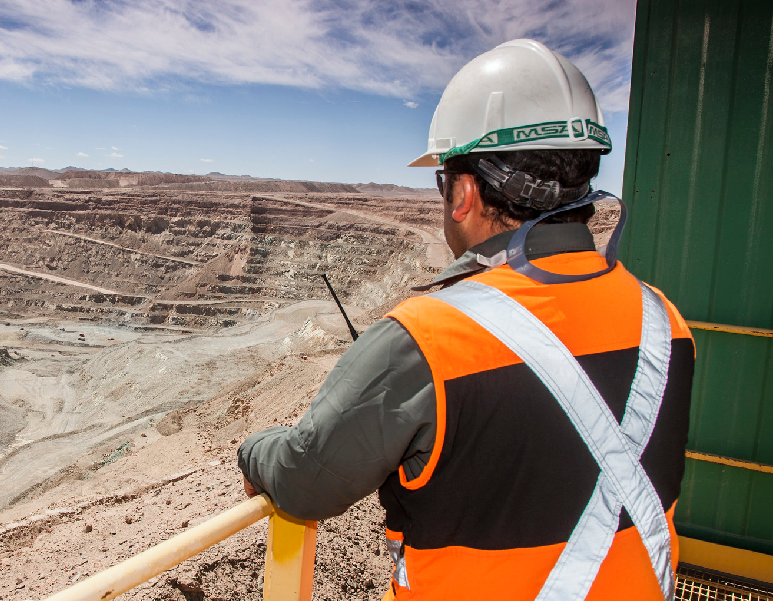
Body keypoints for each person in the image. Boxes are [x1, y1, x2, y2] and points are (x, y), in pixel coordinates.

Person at [236, 39, 694, 601]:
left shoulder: (426, 341)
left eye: (443, 180)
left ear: (465, 192)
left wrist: (252, 449)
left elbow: (304, 481)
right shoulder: (664, 321)